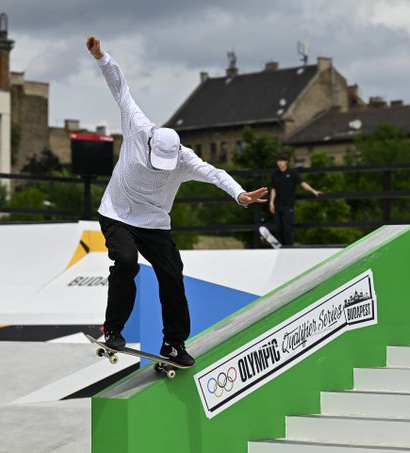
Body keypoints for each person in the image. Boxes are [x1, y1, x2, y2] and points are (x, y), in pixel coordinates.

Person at [86, 35, 267, 366]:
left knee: (171, 274)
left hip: (153, 222)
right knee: (125, 262)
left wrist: (239, 194)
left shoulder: (185, 159)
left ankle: (173, 344)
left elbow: (215, 173)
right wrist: (101, 57)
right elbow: (120, 87)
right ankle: (112, 330)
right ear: (151, 143)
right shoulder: (138, 127)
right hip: (118, 213)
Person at [269, 154, 322, 246]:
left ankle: (289, 247)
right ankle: (278, 247)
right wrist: (271, 203)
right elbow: (273, 189)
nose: (280, 163)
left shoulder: (292, 173)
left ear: (286, 162)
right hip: (278, 205)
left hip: (288, 205)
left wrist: (313, 191)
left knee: (287, 228)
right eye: (278, 161)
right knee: (277, 227)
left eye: (282, 160)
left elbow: (302, 183)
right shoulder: (275, 175)